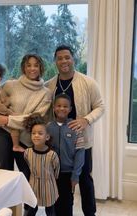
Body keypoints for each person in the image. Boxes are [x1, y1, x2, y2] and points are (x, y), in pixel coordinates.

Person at [45, 45, 105, 216]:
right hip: (56, 143)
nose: (63, 61)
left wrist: (86, 120)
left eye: (67, 57)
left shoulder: (88, 82)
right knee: (59, 181)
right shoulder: (49, 85)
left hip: (81, 142)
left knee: (85, 179)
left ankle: (90, 213)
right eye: (59, 58)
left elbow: (100, 106)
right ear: (55, 61)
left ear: (73, 59)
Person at [0, 54, 52, 181]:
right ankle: (7, 202)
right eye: (28, 65)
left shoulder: (46, 93)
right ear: (23, 68)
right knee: (5, 176)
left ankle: (29, 202)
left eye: (36, 65)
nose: (32, 68)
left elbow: (34, 119)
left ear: (41, 68)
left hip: (26, 139)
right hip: (3, 134)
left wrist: (8, 119)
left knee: (28, 176)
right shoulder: (9, 85)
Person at [47, 93, 85, 216]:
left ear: (70, 109)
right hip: (51, 174)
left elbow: (80, 153)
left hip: (68, 174)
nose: (62, 108)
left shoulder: (75, 127)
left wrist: (75, 175)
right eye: (58, 105)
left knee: (67, 203)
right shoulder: (48, 127)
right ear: (54, 108)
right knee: (53, 203)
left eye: (65, 106)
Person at [23, 113, 60, 216]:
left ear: (47, 137)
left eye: (40, 133)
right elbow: (28, 167)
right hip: (33, 185)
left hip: (49, 186)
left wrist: (50, 179)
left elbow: (56, 170)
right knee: (31, 209)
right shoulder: (27, 152)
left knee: (50, 210)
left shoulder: (52, 155)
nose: (36, 136)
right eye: (33, 133)